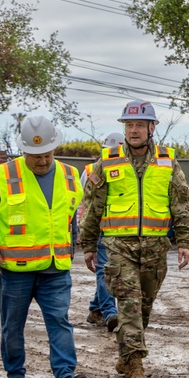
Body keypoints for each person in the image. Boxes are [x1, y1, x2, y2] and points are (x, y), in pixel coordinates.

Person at [80, 101, 189, 378]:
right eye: (129, 125)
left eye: (139, 125)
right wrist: (88, 244)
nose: (133, 130)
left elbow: (181, 204)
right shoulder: (107, 161)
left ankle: (124, 353)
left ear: (151, 128)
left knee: (143, 309)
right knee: (129, 307)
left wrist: (185, 241)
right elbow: (93, 206)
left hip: (156, 249)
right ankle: (135, 366)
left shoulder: (168, 161)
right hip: (119, 248)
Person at [0, 115, 88, 378]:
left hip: (56, 268)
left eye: (47, 154)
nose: (42, 161)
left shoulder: (69, 174)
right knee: (12, 325)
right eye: (36, 155)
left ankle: (64, 376)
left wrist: (73, 246)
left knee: (60, 321)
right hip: (16, 270)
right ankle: (15, 375)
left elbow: (70, 217)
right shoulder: (4, 174)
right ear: (24, 150)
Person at [80, 132, 125, 332]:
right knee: (103, 271)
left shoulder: (127, 171)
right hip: (100, 230)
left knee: (110, 272)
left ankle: (95, 309)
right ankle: (109, 312)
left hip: (120, 229)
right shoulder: (92, 170)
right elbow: (85, 204)